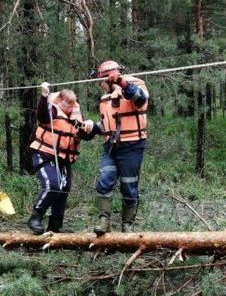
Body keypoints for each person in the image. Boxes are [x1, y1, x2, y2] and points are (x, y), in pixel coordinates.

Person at [86, 60, 149, 234]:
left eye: (102, 81)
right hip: (111, 147)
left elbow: (139, 99)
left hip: (132, 145)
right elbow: (107, 125)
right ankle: (104, 221)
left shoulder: (135, 85)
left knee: (129, 185)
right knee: (104, 181)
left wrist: (121, 82)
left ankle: (127, 225)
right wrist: (90, 127)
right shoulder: (105, 98)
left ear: (110, 78)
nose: (100, 85)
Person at [26, 82, 86, 234]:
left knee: (64, 190)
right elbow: (42, 115)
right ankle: (35, 217)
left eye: (72, 105)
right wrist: (44, 95)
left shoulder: (75, 114)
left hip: (63, 159)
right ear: (59, 101)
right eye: (67, 104)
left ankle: (56, 225)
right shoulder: (51, 108)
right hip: (44, 154)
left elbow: (84, 134)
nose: (70, 108)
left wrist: (89, 129)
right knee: (53, 185)